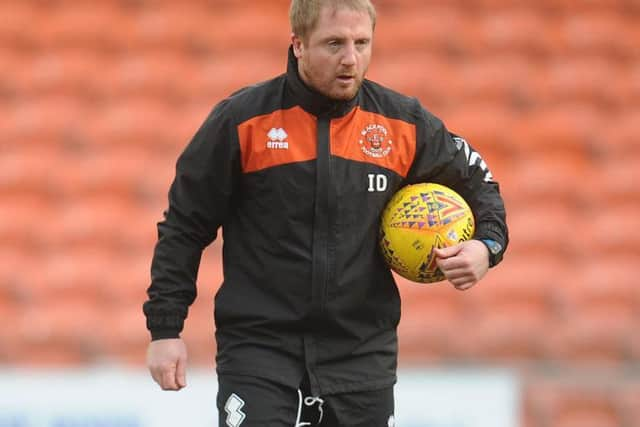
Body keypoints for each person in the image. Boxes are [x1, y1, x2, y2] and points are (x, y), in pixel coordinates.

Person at [143, 0, 508, 425]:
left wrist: (487, 245)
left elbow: (480, 182)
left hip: (361, 358)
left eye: (361, 42)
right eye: (334, 43)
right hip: (260, 354)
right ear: (298, 45)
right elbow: (185, 227)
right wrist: (165, 328)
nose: (350, 59)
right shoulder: (243, 121)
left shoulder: (403, 123)